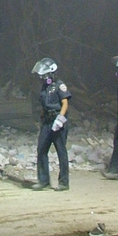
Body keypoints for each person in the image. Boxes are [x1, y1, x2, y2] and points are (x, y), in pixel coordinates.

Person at [31, 57, 70, 191]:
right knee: (41, 150)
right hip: (47, 122)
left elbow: (65, 103)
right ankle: (43, 180)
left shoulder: (60, 85)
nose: (42, 78)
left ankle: (64, 182)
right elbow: (43, 105)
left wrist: (60, 119)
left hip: (58, 122)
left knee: (61, 152)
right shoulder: (44, 87)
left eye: (44, 75)